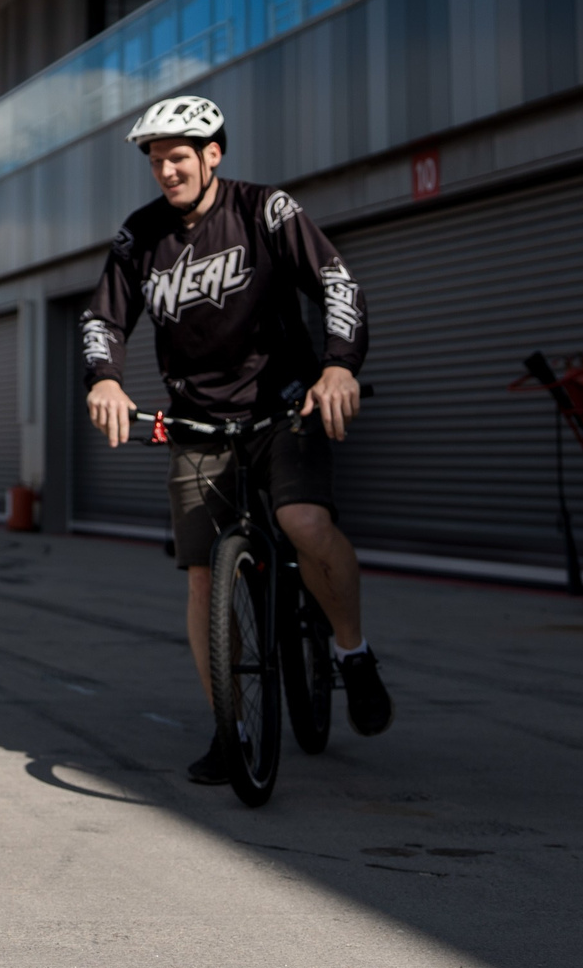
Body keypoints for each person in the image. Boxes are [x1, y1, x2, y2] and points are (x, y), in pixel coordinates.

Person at [80, 94, 393, 784]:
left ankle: (352, 651)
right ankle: (233, 723)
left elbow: (337, 284)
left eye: (180, 158)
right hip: (198, 419)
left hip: (285, 406)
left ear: (213, 154)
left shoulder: (265, 211)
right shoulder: (140, 238)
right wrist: (103, 378)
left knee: (303, 520)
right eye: (158, 161)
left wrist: (339, 365)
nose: (167, 171)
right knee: (201, 578)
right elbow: (103, 318)